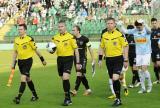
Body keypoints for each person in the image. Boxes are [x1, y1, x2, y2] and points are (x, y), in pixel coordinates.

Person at [12, 24, 47, 104]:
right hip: (20, 62)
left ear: (25, 30)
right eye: (19, 29)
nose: (19, 30)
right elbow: (15, 52)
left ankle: (18, 97)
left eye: (21, 29)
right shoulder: (16, 40)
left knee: (23, 78)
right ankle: (35, 95)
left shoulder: (29, 39)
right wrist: (13, 62)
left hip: (28, 61)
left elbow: (36, 50)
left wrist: (42, 59)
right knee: (28, 79)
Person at [99, 17, 129, 106]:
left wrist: (126, 59)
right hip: (108, 59)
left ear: (114, 24)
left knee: (115, 78)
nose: (109, 25)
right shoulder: (104, 35)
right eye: (108, 23)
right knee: (113, 79)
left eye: (111, 23)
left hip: (118, 59)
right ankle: (118, 98)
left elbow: (126, 46)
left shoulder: (119, 34)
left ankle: (118, 99)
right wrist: (100, 59)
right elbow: (101, 47)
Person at [118, 19, 152, 93]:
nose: (138, 28)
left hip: (146, 53)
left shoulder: (146, 30)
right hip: (138, 53)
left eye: (140, 26)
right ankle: (143, 88)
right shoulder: (135, 30)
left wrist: (145, 23)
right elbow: (125, 31)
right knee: (139, 71)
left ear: (142, 25)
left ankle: (149, 85)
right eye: (137, 27)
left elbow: (150, 31)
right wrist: (121, 25)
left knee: (144, 69)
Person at [51, 21, 81, 106]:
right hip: (59, 59)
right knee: (63, 78)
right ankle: (68, 92)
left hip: (68, 59)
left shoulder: (71, 37)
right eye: (59, 26)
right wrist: (51, 50)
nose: (60, 28)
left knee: (65, 77)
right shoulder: (55, 38)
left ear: (65, 27)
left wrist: (78, 62)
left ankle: (67, 99)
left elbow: (76, 50)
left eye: (62, 26)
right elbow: (52, 49)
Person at [70, 25, 95, 96]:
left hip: (83, 59)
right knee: (82, 75)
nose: (72, 31)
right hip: (76, 59)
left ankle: (75, 90)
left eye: (74, 30)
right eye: (72, 30)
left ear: (78, 31)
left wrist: (93, 59)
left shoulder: (85, 39)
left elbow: (90, 48)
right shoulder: (72, 39)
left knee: (79, 73)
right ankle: (88, 89)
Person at [150, 18, 160, 84]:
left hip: (158, 50)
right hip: (152, 50)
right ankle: (157, 79)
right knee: (155, 66)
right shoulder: (151, 31)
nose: (154, 24)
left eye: (155, 23)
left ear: (157, 23)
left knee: (159, 64)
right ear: (151, 23)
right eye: (153, 23)